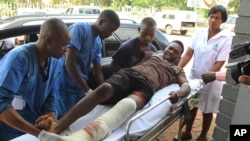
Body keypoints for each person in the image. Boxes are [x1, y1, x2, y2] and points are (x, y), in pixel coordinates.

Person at [35, 40, 191, 141]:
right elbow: (135, 44)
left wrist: (178, 93)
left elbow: (186, 86)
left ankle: (77, 139)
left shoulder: (176, 70)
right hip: (130, 74)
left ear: (179, 56)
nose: (170, 52)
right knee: (102, 90)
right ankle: (57, 127)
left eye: (175, 51)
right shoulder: (152, 55)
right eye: (170, 48)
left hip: (147, 87)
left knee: (128, 105)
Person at [0, 18, 70, 140]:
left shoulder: (56, 60)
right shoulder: (19, 58)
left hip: (33, 130)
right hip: (11, 131)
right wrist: (40, 134)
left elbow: (49, 98)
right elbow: (1, 103)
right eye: (64, 44)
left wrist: (52, 126)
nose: (66, 49)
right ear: (48, 41)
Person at [177, 5, 232, 141]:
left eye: (217, 18)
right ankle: (187, 132)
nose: (213, 20)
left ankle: (202, 136)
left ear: (222, 20)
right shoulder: (199, 33)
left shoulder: (225, 38)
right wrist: (177, 68)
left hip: (211, 81)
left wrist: (207, 77)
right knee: (192, 106)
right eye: (211, 16)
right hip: (195, 78)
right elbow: (188, 53)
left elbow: (219, 63)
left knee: (207, 110)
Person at [55, 9, 120, 119]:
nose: (110, 35)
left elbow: (97, 71)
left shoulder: (98, 42)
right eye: (109, 30)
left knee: (78, 120)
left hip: (79, 88)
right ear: (101, 22)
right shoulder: (80, 29)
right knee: (62, 120)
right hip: (64, 88)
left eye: (112, 32)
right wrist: (87, 90)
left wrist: (104, 91)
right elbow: (69, 63)